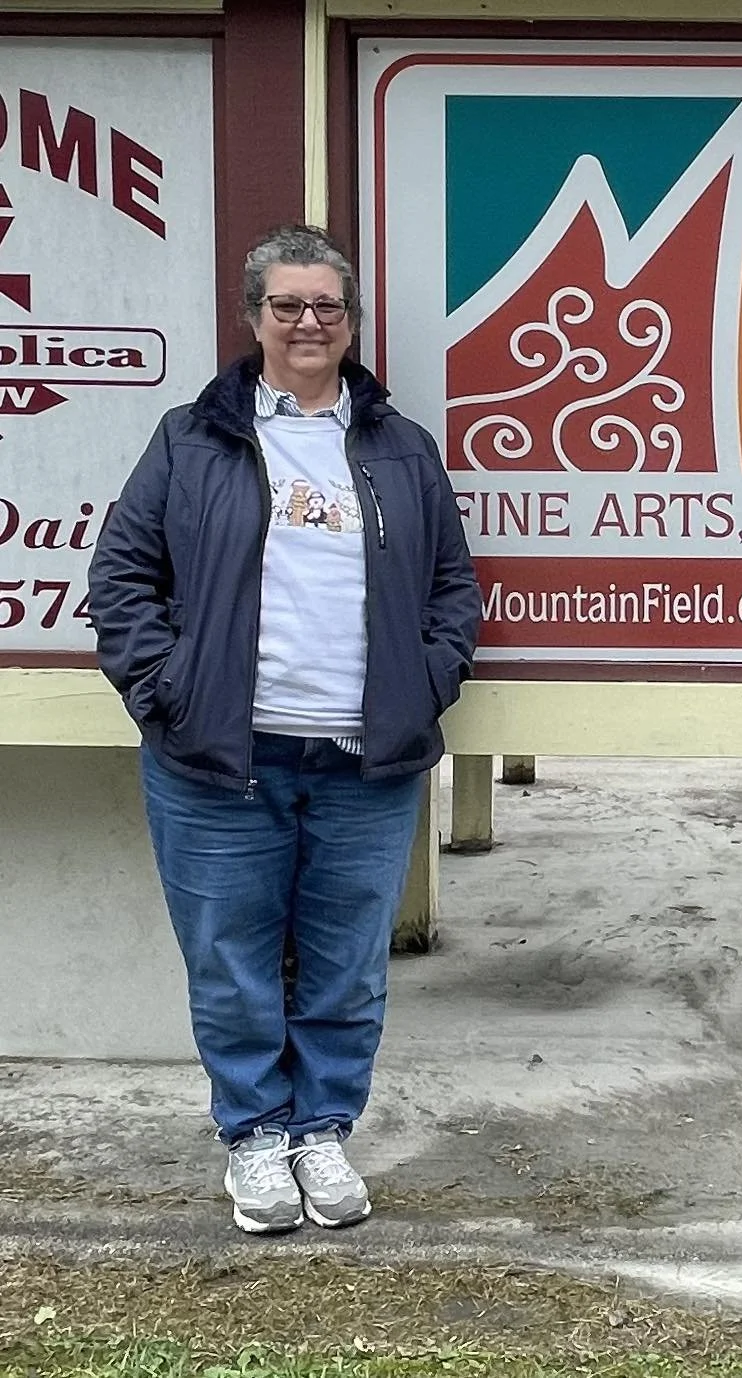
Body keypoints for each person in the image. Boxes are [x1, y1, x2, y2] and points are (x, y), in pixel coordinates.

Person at [89, 224, 479, 1234]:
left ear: (351, 321)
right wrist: (167, 692)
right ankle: (256, 1136)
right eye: (288, 305)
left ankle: (324, 1130)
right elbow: (122, 576)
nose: (309, 322)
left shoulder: (400, 447)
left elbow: (451, 585)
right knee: (231, 964)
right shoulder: (191, 439)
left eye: (327, 306)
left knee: (347, 966)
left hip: (366, 762)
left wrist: (426, 681)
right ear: (253, 316)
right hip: (219, 759)